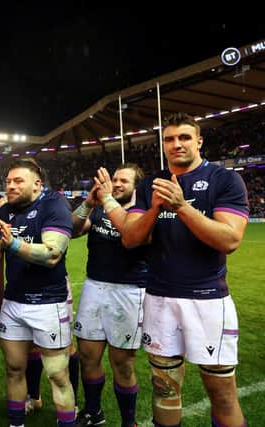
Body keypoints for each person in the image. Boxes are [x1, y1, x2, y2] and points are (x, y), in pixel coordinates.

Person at [118, 113, 249, 427]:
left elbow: (229, 240)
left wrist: (181, 206)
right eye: (169, 139)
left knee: (222, 394)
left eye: (184, 137)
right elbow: (131, 238)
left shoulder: (224, 179)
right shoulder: (151, 183)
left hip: (207, 300)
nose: (176, 144)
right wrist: (154, 209)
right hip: (160, 299)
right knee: (164, 391)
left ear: (199, 141)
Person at [0, 159, 76, 427]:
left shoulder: (54, 205)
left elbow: (52, 254)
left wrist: (13, 244)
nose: (11, 186)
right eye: (8, 182)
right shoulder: (4, 213)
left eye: (18, 181)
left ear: (37, 184)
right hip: (14, 304)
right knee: (14, 369)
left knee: (58, 375)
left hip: (49, 303)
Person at [71, 163, 147, 427]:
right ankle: (93, 412)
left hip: (128, 291)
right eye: (114, 179)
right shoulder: (101, 207)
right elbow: (72, 230)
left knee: (122, 363)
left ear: (136, 186)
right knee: (88, 356)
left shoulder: (142, 213)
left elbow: (131, 235)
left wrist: (106, 199)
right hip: (94, 287)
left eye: (124, 180)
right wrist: (88, 203)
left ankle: (129, 422)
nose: (116, 184)